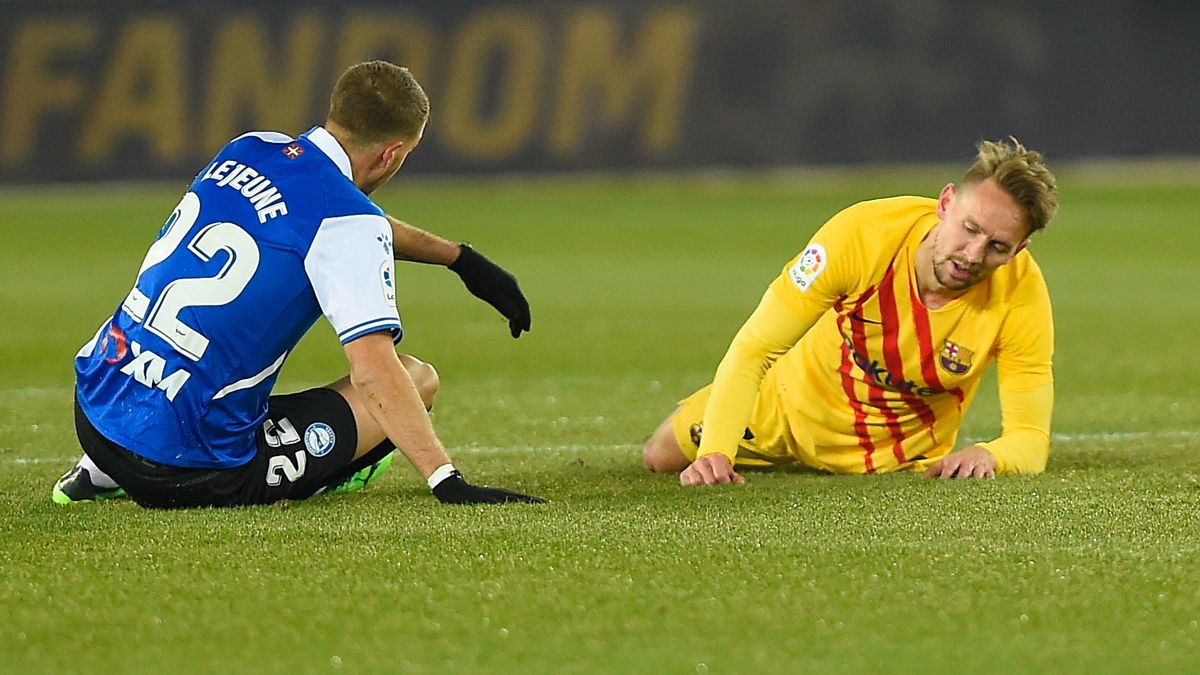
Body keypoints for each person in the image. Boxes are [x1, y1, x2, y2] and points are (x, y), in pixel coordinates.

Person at [54, 61, 542, 508]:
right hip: (186, 469)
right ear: (392, 153)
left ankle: (97, 473)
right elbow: (373, 370)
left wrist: (459, 259)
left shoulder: (249, 147)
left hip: (95, 408)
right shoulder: (348, 223)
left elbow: (328, 218)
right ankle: (329, 472)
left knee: (189, 365)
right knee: (417, 378)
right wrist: (447, 480)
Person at [644, 138, 1058, 485]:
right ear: (946, 203)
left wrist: (991, 455)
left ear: (1019, 249)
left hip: (896, 459)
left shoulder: (1021, 292)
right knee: (660, 456)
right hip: (789, 411)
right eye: (970, 229)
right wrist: (716, 450)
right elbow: (755, 348)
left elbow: (1030, 438)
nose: (972, 254)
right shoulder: (860, 236)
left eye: (997, 246)